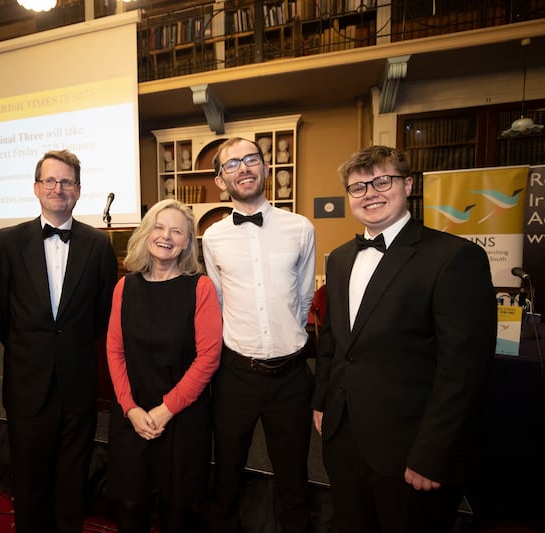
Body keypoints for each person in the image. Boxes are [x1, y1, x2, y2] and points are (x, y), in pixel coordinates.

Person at [312, 145, 496, 533]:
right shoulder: (340, 258)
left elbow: (462, 371)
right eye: (358, 187)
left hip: (409, 449)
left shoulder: (453, 257)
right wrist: (321, 402)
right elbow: (332, 341)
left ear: (408, 184)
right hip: (343, 438)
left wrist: (434, 454)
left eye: (382, 181)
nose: (370, 193)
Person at [0, 149, 118, 533]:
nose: (59, 188)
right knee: (29, 484)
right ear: (37, 188)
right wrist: (33, 350)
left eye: (67, 182)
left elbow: (102, 314)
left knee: (72, 483)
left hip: (77, 384)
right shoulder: (7, 242)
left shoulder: (98, 246)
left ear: (78, 190)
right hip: (27, 383)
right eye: (51, 181)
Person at [202, 137, 316, 533]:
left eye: (251, 159)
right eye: (232, 164)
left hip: (292, 378)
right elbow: (216, 301)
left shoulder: (300, 228)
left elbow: (303, 298)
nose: (243, 168)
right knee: (227, 474)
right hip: (235, 376)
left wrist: (284, 339)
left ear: (266, 168)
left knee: (294, 477)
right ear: (221, 180)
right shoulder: (213, 237)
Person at [106, 199, 223, 533]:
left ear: (187, 242)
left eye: (177, 231)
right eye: (159, 227)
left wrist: (165, 410)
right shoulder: (124, 287)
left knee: (178, 514)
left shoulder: (200, 287)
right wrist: (130, 408)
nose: (166, 236)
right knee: (130, 509)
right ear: (146, 233)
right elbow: (114, 351)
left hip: (183, 419)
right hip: (133, 414)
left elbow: (208, 357)